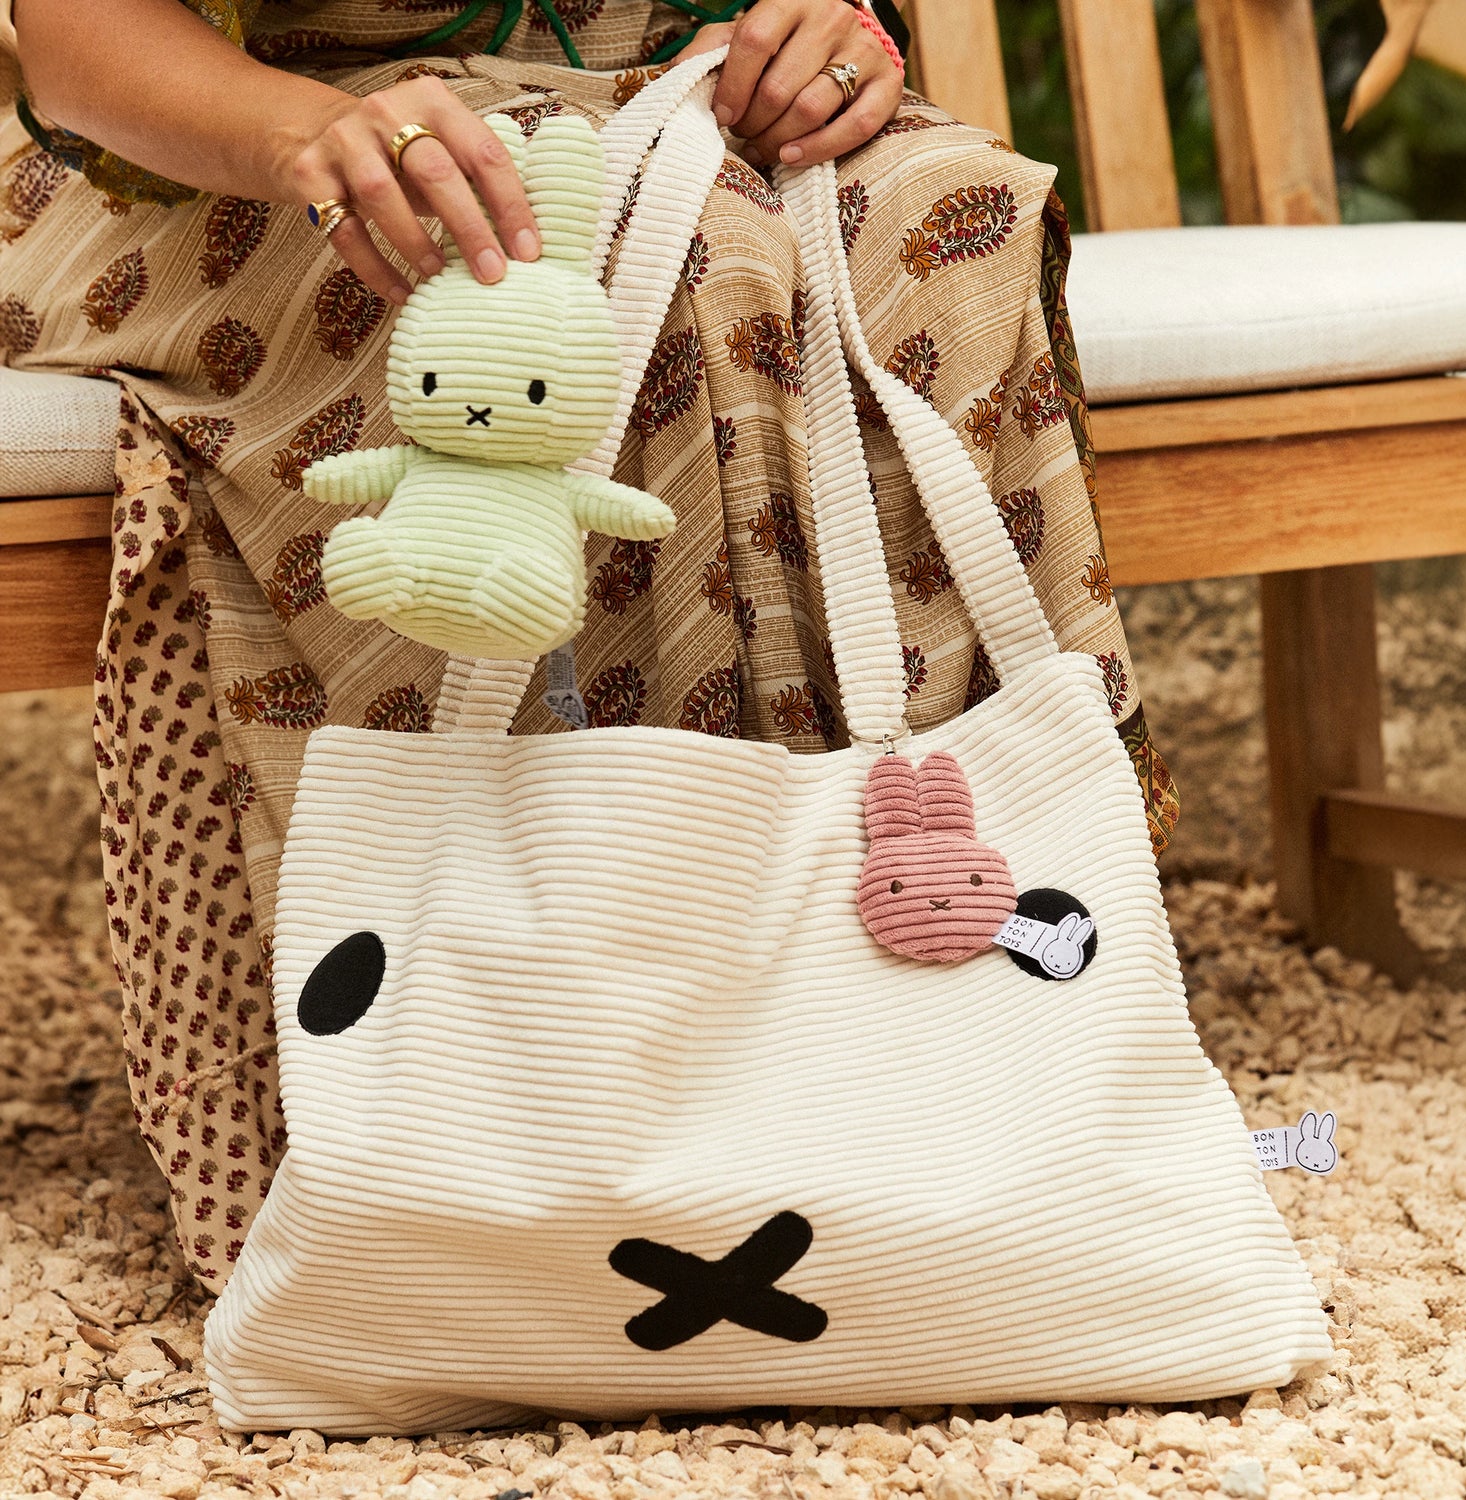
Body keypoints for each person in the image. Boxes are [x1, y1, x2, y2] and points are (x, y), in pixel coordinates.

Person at [0, 0, 1179, 1290]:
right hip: (269, 150)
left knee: (952, 211)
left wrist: (826, 32)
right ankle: (534, 1112)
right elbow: (77, 39)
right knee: (580, 273)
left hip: (686, 109)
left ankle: (947, 1066)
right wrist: (313, 131)